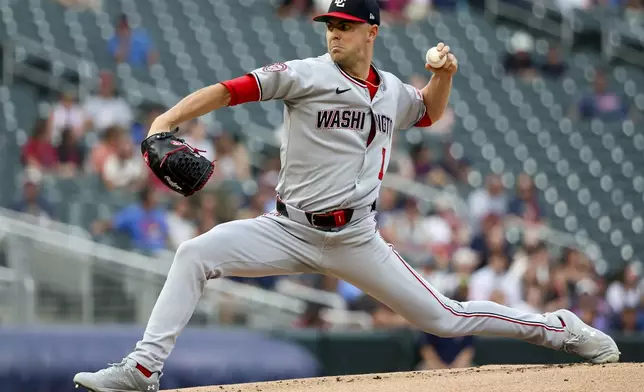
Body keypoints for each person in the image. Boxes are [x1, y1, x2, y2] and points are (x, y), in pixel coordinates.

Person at [73, 1, 620, 391]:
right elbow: (230, 90)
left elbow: (427, 110)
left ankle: (561, 330)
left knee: (446, 319)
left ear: (371, 32)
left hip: (356, 237)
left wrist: (444, 76)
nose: (334, 34)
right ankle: (142, 370)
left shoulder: (391, 93)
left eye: (345, 25)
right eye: (330, 25)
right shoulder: (304, 74)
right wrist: (167, 118)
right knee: (193, 253)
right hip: (286, 229)